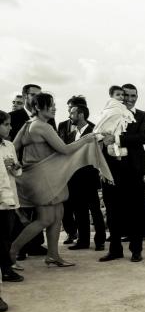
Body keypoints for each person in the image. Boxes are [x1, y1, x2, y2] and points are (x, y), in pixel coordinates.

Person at [12, 93, 111, 267]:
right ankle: (11, 252)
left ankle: (53, 255)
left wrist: (18, 165)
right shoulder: (43, 127)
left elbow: (12, 147)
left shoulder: (28, 125)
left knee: (58, 216)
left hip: (45, 177)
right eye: (50, 105)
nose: (54, 108)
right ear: (37, 108)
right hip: (43, 179)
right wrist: (86, 139)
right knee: (45, 219)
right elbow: (65, 150)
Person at [99, 84, 145, 263]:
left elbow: (144, 136)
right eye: (126, 95)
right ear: (120, 96)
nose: (130, 99)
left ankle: (136, 250)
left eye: (134, 95)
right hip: (111, 169)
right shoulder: (109, 113)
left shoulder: (142, 115)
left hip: (132, 171)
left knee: (135, 211)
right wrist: (102, 168)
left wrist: (117, 139)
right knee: (112, 211)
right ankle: (115, 249)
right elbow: (100, 139)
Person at [9, 84, 55, 260]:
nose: (37, 97)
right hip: (21, 169)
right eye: (33, 94)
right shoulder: (13, 117)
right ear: (25, 96)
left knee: (39, 211)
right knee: (22, 211)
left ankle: (35, 245)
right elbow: (10, 144)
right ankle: (17, 248)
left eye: (39, 94)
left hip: (42, 172)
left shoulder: (47, 118)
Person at [64, 104, 107, 251]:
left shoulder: (94, 131)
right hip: (74, 178)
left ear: (81, 114)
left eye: (72, 113)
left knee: (95, 210)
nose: (70, 115)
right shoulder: (70, 135)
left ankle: (100, 241)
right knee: (79, 211)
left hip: (89, 177)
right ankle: (83, 241)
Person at [58, 95, 88, 246]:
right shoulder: (62, 125)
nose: (68, 110)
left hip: (81, 173)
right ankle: (71, 232)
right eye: (68, 107)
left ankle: (84, 235)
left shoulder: (91, 127)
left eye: (71, 107)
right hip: (64, 170)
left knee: (81, 205)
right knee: (66, 204)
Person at [0, 110, 23, 285]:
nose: (10, 127)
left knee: (6, 236)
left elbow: (18, 172)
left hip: (9, 198)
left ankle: (6, 269)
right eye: (6, 124)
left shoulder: (9, 145)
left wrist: (14, 166)